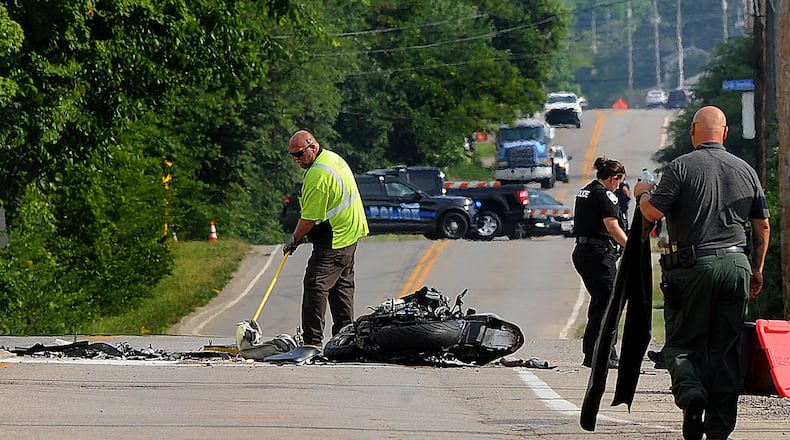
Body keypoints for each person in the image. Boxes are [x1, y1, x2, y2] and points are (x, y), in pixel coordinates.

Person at [634, 106, 770, 440]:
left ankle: (692, 395)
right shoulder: (746, 170)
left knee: (682, 345)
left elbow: (652, 212)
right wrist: (757, 269)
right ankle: (719, 430)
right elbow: (763, 226)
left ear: (694, 130)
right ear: (724, 133)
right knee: (726, 349)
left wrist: (641, 194)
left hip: (692, 268)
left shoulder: (680, 167)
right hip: (737, 264)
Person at [283, 130, 369, 349]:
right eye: (293, 156)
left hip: (337, 236)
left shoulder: (317, 175)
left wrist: (294, 239)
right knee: (341, 285)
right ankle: (346, 337)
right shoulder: (331, 158)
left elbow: (309, 218)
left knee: (316, 283)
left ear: (313, 147)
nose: (297, 160)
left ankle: (312, 342)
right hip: (350, 230)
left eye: (300, 154)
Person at [572, 157, 629, 369]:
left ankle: (594, 353)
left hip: (584, 251)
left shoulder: (585, 191)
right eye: (619, 181)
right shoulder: (605, 196)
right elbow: (612, 227)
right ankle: (602, 354)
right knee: (608, 304)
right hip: (598, 254)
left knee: (601, 303)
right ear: (614, 178)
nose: (619, 186)